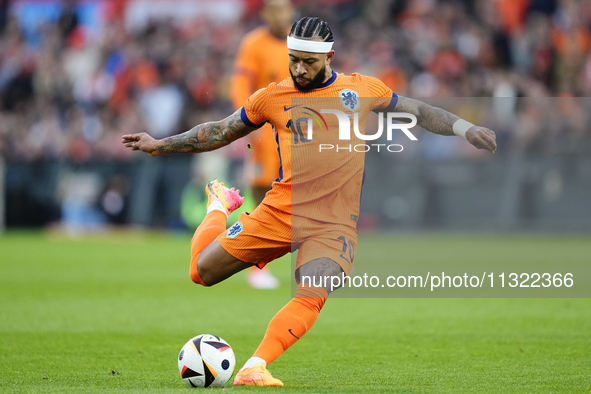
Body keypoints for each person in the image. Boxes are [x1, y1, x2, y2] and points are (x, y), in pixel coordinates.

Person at [122, 16, 497, 387]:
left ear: (330, 56)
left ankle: (255, 366)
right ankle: (219, 204)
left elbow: (419, 111)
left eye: (309, 62)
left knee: (313, 291)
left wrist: (466, 128)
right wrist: (161, 145)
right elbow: (220, 131)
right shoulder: (273, 96)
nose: (299, 69)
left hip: (333, 223)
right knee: (200, 273)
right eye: (293, 60)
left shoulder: (361, 90)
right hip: (280, 211)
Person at [230, 0, 295, 290]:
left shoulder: (302, 41)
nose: (281, 15)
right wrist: (246, 120)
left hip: (300, 128)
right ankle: (256, 263)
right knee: (264, 193)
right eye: (275, 10)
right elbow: (240, 83)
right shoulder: (254, 43)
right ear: (266, 13)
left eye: (285, 9)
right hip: (267, 129)